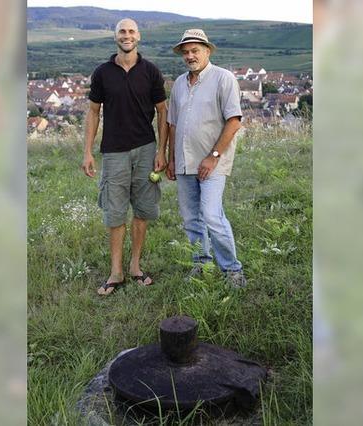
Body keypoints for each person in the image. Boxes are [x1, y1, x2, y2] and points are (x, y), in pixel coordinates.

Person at [82, 18, 168, 296]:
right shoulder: (102, 72)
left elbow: (163, 112)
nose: (127, 35)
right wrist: (87, 151)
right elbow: (93, 112)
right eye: (122, 31)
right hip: (113, 151)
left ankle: (135, 266)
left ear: (139, 37)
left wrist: (161, 150)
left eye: (131, 31)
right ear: (115, 36)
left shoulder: (151, 71)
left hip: (145, 149)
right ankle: (116, 272)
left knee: (142, 211)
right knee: (115, 214)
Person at [166, 29, 247, 288]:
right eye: (186, 52)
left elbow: (234, 122)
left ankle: (232, 270)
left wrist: (212, 157)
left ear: (207, 51)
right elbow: (173, 125)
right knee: (191, 219)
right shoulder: (179, 83)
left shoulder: (224, 78)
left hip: (213, 163)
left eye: (195, 51)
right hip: (184, 162)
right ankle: (200, 263)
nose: (190, 56)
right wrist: (171, 159)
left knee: (212, 215)